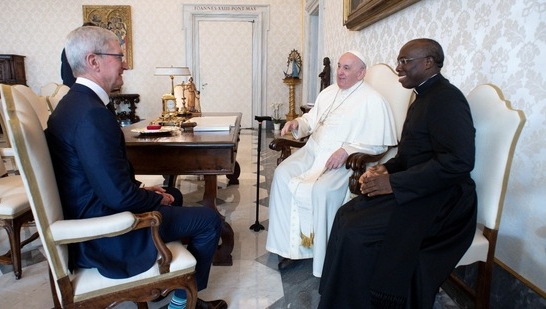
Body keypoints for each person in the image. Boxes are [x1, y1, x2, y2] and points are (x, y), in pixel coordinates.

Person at [46, 26, 227, 309]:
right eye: (119, 56)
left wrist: (146, 190)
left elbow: (100, 179)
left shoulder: (75, 104)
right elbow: (117, 197)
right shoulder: (91, 114)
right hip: (105, 236)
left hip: (90, 211)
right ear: (94, 61)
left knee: (174, 195)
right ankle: (183, 299)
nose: (126, 64)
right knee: (210, 220)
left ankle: (171, 280)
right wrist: (154, 198)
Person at [318, 39, 477, 309]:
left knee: (357, 231)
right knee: (346, 214)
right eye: (399, 60)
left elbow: (459, 162)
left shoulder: (447, 99)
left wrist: (392, 182)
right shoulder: (422, 95)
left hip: (446, 201)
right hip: (419, 186)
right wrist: (385, 169)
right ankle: (336, 298)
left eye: (405, 61)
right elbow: (410, 156)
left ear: (428, 62)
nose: (398, 67)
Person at [265, 51, 398, 277]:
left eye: (347, 68)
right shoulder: (328, 93)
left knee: (322, 190)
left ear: (361, 73)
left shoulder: (373, 100)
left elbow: (378, 146)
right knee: (282, 174)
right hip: (313, 152)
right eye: (339, 66)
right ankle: (288, 248)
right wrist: (297, 123)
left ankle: (323, 257)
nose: (340, 72)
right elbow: (311, 120)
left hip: (343, 162)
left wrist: (346, 151)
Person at [61, 22, 95, 87]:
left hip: (69, 88)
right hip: (84, 88)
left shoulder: (66, 49)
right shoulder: (90, 50)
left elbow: (62, 74)